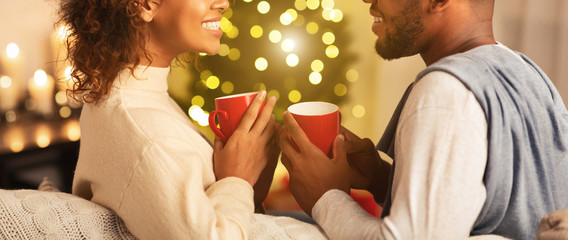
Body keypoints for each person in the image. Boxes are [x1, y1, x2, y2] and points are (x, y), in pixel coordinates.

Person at [279, 0, 568, 239]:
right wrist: (381, 179)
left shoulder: (445, 91)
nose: (367, 1)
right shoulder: (528, 74)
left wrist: (325, 197)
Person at [58, 0, 326, 239]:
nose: (224, 3)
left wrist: (252, 185)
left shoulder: (138, 98)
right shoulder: (146, 133)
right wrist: (236, 180)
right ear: (146, 5)